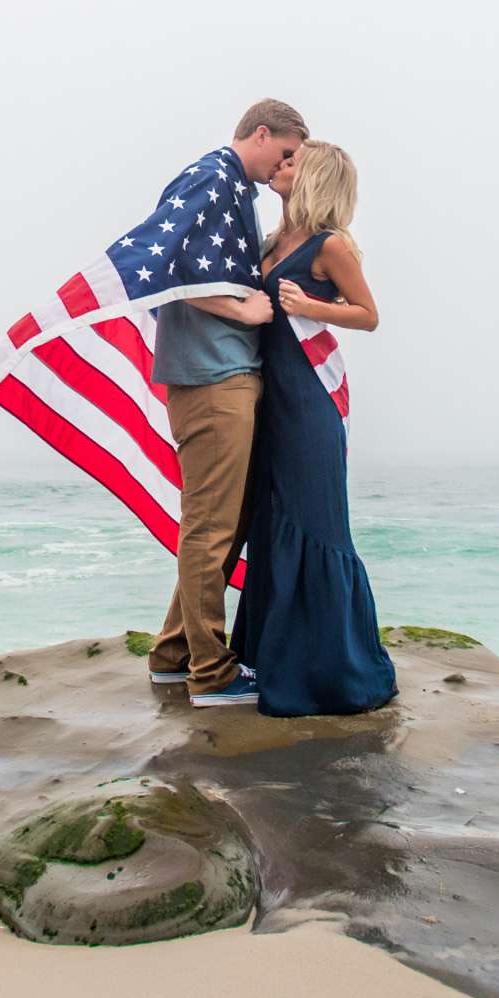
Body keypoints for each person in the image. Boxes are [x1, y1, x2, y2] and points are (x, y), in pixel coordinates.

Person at [144, 99, 308, 706]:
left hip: (218, 370)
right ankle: (211, 674)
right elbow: (168, 264)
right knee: (211, 528)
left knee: (223, 522)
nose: (285, 166)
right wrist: (241, 308)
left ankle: (173, 653)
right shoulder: (212, 179)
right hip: (213, 375)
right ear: (260, 134)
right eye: (285, 154)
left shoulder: (228, 185)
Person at [228, 141, 397, 717]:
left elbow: (368, 315)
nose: (281, 165)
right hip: (262, 400)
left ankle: (330, 672)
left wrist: (310, 306)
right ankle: (264, 659)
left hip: (308, 405)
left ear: (317, 176)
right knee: (270, 522)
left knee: (313, 524)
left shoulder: (333, 246)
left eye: (293, 162)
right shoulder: (273, 242)